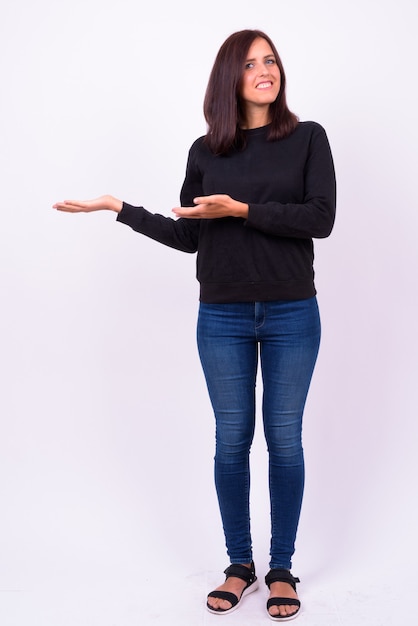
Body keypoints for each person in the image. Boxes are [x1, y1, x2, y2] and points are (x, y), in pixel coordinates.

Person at [53, 29, 336, 621]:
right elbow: (190, 236)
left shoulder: (307, 138)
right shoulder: (205, 152)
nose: (267, 70)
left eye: (272, 60)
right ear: (229, 77)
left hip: (290, 312)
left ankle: (280, 567)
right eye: (253, 62)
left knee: (284, 441)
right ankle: (240, 565)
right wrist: (119, 209)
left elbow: (320, 218)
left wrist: (241, 209)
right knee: (231, 442)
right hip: (223, 316)